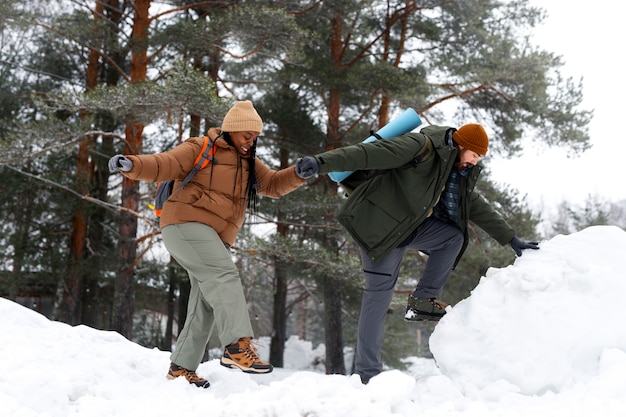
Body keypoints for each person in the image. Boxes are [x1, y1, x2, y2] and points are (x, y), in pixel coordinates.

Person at [294, 122, 539, 384]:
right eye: (475, 155)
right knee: (378, 298)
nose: (474, 162)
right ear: (463, 146)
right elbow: (366, 154)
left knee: (452, 238)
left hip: (409, 227)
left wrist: (510, 238)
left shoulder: (450, 167)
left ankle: (423, 301)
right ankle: (367, 376)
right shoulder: (418, 147)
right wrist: (320, 163)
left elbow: (474, 204)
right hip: (380, 229)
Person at [108, 100, 305, 388]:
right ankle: (237, 345)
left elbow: (273, 185)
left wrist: (299, 173)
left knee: (206, 302)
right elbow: (165, 163)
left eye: (255, 137)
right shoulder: (201, 147)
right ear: (232, 130)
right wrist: (132, 164)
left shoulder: (249, 163)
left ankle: (181, 367)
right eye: (246, 135)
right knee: (224, 276)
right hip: (185, 223)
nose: (251, 142)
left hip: (213, 237)